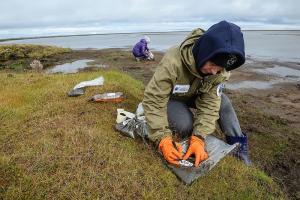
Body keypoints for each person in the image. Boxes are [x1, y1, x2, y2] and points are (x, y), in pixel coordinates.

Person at [142, 21, 251, 167]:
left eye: (219, 69)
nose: (214, 72)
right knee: (185, 125)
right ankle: (156, 117)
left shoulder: (218, 71)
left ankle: (238, 147)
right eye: (212, 64)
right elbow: (154, 98)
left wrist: (199, 137)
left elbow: (211, 103)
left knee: (223, 101)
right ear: (204, 51)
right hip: (172, 98)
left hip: (196, 94)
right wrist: (162, 139)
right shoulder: (174, 61)